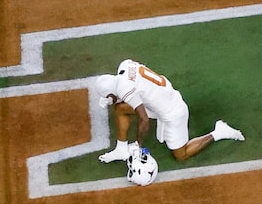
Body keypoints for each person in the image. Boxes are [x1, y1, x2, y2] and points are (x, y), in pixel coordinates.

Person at [94, 60, 244, 165]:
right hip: (161, 100)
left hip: (173, 112)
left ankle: (219, 132)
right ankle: (121, 150)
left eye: (109, 98)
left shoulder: (123, 90)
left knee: (181, 155)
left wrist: (138, 145)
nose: (110, 101)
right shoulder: (125, 66)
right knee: (120, 108)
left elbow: (144, 120)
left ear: (112, 93)